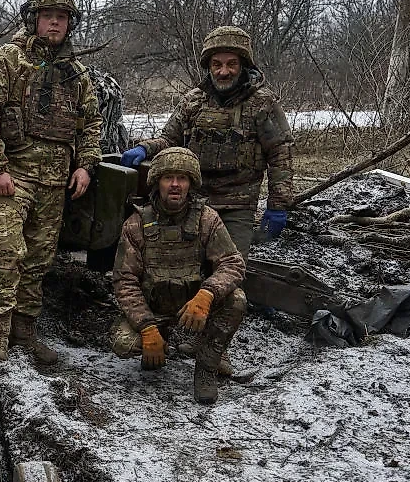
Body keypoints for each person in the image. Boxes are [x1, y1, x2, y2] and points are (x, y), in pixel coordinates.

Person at [120, 26, 293, 374]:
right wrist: (145, 148)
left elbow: (281, 152)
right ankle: (183, 329)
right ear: (209, 66)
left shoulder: (263, 104)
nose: (224, 71)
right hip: (194, 203)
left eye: (231, 64)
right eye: (217, 64)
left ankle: (215, 347)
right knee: (187, 269)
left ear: (243, 64)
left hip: (238, 204)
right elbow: (169, 138)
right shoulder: (194, 101)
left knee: (229, 274)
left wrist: (279, 204)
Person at [0, 0, 103, 365]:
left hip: (55, 181)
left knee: (40, 259)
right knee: (6, 251)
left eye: (62, 17)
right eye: (49, 16)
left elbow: (91, 123)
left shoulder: (75, 74)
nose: (56, 22)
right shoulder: (7, 60)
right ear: (34, 20)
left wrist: (86, 165)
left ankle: (24, 331)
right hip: (13, 175)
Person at [111, 147, 246, 405]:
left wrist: (208, 294)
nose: (175, 185)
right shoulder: (136, 224)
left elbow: (232, 263)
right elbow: (124, 281)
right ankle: (160, 341)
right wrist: (146, 327)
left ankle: (207, 366)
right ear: (157, 182)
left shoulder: (207, 219)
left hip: (193, 307)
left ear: (191, 183)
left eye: (182, 178)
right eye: (168, 178)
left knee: (237, 300)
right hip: (154, 308)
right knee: (123, 342)